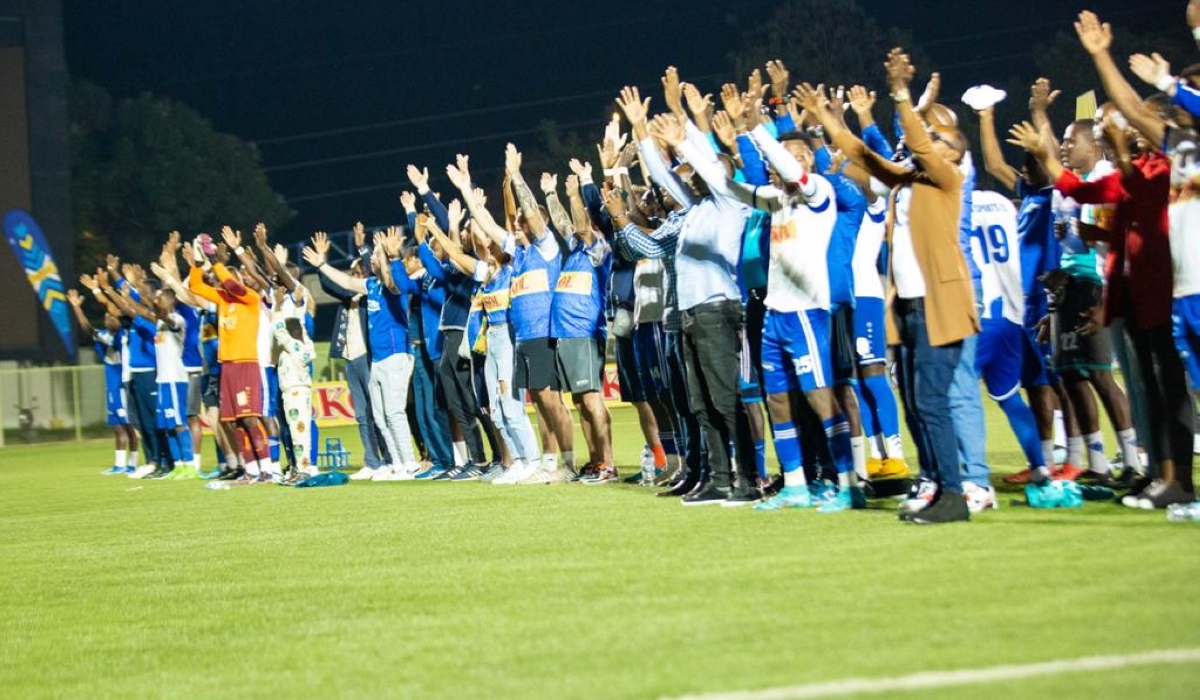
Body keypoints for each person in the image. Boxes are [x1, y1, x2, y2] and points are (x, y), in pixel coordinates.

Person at [799, 48, 980, 524]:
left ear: (955, 152)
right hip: (909, 308)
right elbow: (863, 155)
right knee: (917, 403)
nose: (926, 143)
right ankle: (934, 484)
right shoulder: (906, 181)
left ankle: (955, 495)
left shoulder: (948, 177)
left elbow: (918, 145)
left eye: (938, 138)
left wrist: (901, 96)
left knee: (934, 401)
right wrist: (825, 123)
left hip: (942, 304)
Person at [303, 228, 423, 481]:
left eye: (376, 256)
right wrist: (323, 265)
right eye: (374, 257)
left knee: (394, 412)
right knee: (379, 415)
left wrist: (391, 257)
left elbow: (392, 281)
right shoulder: (371, 285)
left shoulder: (394, 286)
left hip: (396, 354)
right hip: (377, 359)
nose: (373, 259)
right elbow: (346, 282)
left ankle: (409, 463)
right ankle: (396, 464)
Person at [187, 234, 273, 482]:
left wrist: (215, 261)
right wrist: (197, 263)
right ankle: (251, 471)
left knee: (249, 418)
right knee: (234, 422)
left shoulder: (250, 299)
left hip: (246, 364)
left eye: (227, 278)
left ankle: (266, 469)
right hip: (227, 367)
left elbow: (234, 286)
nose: (223, 283)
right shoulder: (223, 299)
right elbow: (196, 288)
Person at [318, 225, 388, 479]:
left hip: (368, 358)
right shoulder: (349, 298)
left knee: (377, 411)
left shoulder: (371, 297)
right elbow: (328, 284)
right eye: (353, 273)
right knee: (361, 414)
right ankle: (371, 462)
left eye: (359, 272)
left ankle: (389, 460)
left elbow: (373, 273)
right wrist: (321, 261)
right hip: (350, 359)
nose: (355, 276)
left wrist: (363, 248)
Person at [67, 287, 139, 475]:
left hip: (123, 385)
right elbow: (88, 329)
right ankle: (119, 464)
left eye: (112, 317)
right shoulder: (106, 336)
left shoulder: (123, 336)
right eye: (106, 317)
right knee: (116, 426)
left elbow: (91, 329)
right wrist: (77, 308)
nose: (108, 320)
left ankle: (133, 463)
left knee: (128, 425)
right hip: (112, 386)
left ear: (119, 320)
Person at [272, 299, 317, 483]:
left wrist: (277, 305)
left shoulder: (294, 346)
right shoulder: (305, 345)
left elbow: (279, 331)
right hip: (295, 392)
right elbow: (298, 330)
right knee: (298, 431)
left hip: (295, 393)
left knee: (299, 432)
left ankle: (304, 470)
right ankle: (301, 468)